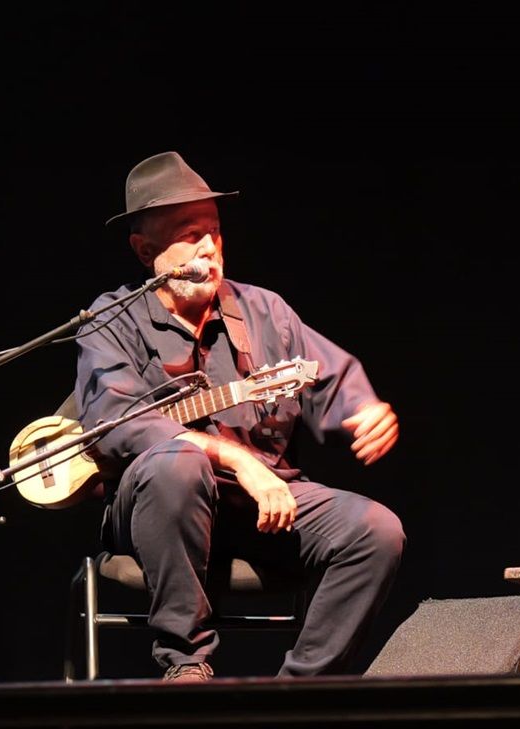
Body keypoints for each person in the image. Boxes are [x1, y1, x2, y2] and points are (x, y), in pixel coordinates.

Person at [76, 151, 405, 681]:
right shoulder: (112, 321)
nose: (209, 247)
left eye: (214, 231)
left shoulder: (264, 311)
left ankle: (295, 693)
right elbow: (115, 421)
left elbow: (328, 376)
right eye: (189, 235)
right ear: (145, 251)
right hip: (158, 512)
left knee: (376, 532)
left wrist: (362, 407)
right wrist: (233, 457)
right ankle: (186, 666)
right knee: (176, 464)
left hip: (261, 506)